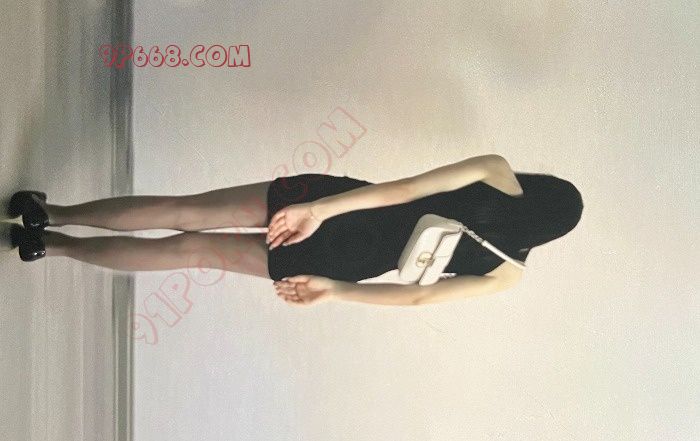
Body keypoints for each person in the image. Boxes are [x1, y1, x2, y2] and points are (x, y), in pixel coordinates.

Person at [2, 154, 583, 307]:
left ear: (541, 188)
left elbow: (404, 189)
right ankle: (49, 246)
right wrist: (336, 290)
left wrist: (322, 209)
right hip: (345, 262)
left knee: (186, 212)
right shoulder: (509, 272)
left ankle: (51, 212)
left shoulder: (497, 172)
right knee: (191, 252)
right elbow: (418, 297)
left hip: (340, 205)